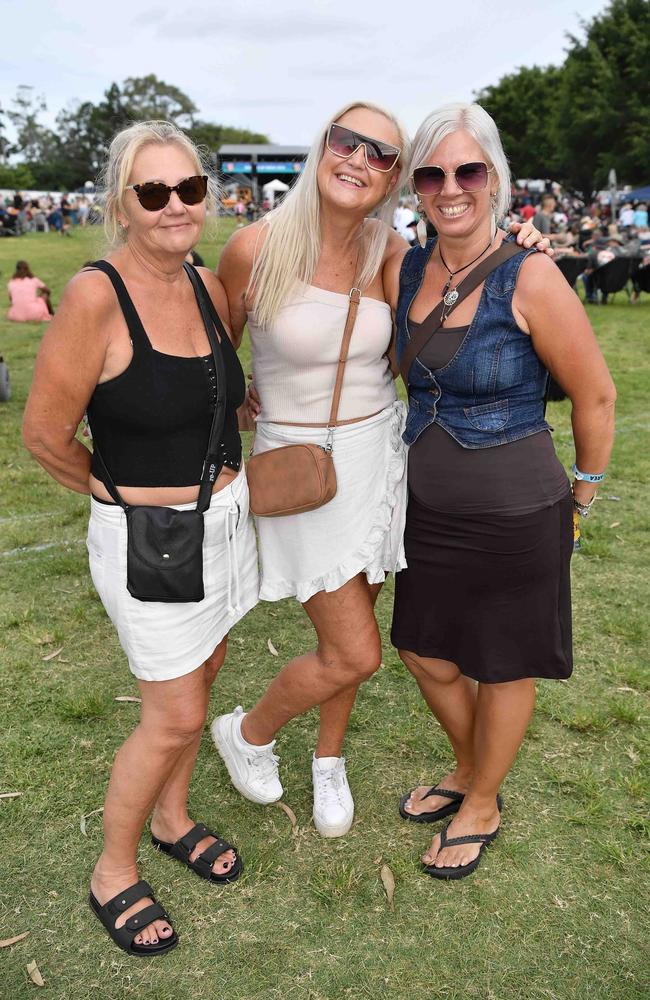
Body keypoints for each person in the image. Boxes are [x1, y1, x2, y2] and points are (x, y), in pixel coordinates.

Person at [211, 101, 551, 840]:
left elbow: (457, 283)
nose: (360, 159)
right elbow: (208, 350)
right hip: (299, 466)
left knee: (355, 628)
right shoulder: (253, 247)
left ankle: (328, 758)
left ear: (395, 181)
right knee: (356, 651)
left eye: (384, 155)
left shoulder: (392, 253)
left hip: (378, 456)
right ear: (322, 145)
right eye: (348, 141)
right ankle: (249, 731)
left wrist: (521, 237)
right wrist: (238, 399)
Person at [23, 121, 259, 956]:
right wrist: (120, 498)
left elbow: (223, 397)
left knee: (207, 676)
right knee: (172, 714)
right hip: (150, 538)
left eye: (189, 189)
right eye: (153, 193)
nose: (175, 207)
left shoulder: (204, 284)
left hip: (229, 524)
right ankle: (113, 872)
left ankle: (172, 817)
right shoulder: (96, 293)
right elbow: (45, 435)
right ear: (122, 204)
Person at [385, 102, 616, 880]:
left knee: (504, 662)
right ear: (415, 187)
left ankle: (482, 801)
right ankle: (468, 763)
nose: (451, 188)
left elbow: (597, 395)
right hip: (426, 507)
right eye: (432, 173)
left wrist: (583, 496)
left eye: (468, 171)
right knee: (421, 650)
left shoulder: (533, 271)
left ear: (495, 179)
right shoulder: (409, 267)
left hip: (518, 509)